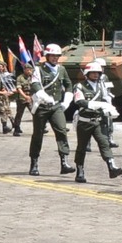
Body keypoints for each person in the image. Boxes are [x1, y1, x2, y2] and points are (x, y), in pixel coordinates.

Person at [71, 60, 122, 184]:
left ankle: (112, 167)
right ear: (87, 73)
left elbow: (106, 99)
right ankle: (80, 170)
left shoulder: (102, 86)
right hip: (84, 121)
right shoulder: (79, 86)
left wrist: (110, 108)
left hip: (98, 121)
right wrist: (96, 104)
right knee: (82, 147)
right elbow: (79, 102)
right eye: (93, 73)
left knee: (104, 143)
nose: (95, 75)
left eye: (97, 73)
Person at [24, 44, 73, 176]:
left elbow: (68, 84)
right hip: (42, 106)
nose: (55, 58)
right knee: (38, 135)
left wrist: (67, 100)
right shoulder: (39, 70)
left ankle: (64, 162)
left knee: (62, 130)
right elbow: (35, 85)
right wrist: (44, 96)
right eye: (52, 56)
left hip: (56, 106)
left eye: (57, 56)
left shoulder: (61, 70)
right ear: (47, 56)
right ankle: (34, 163)